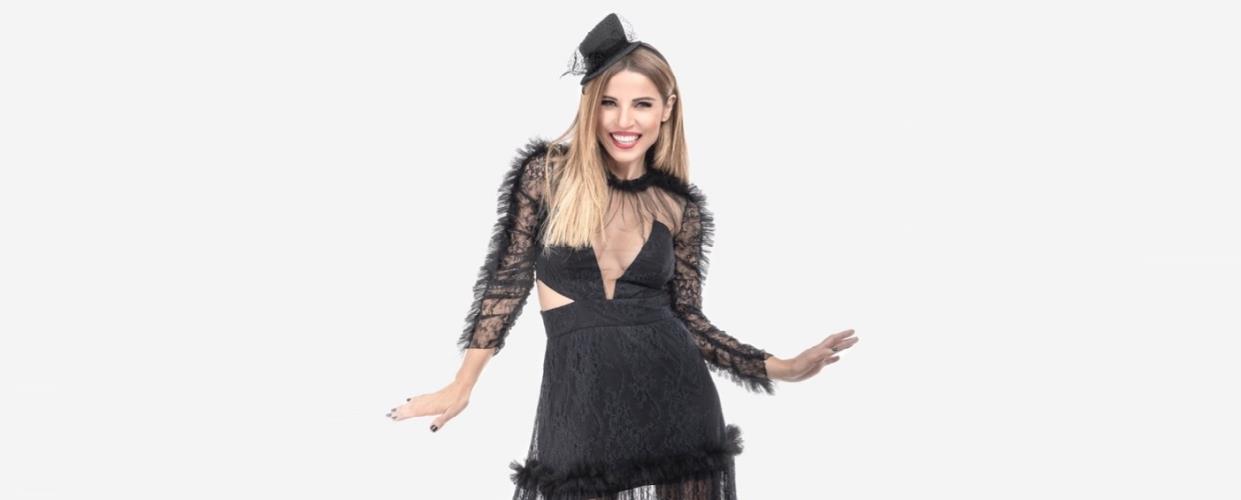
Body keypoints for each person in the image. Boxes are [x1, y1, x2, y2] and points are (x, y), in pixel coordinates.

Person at [388, 13, 858, 499]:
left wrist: (783, 366)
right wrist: (462, 383)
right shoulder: (547, 177)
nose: (624, 121)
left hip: (680, 404)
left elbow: (690, 319)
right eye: (609, 103)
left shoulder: (677, 207)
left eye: (642, 104)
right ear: (590, 106)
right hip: (579, 408)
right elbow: (507, 280)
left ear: (667, 109)